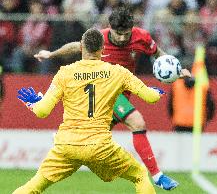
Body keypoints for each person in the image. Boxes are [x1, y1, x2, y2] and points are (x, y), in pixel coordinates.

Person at [34, 5, 186, 190]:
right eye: (118, 33)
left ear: (132, 29)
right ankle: (157, 175)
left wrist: (175, 70)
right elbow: (76, 46)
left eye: (126, 34)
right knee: (137, 122)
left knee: (99, 131)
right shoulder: (101, 38)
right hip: (106, 92)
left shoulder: (142, 37)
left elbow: (158, 53)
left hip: (123, 93)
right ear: (110, 28)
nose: (122, 38)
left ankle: (64, 136)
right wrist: (51, 54)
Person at [14, 27, 165, 194]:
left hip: (67, 145)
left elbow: (42, 111)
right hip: (100, 147)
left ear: (81, 48)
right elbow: (151, 98)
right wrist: (156, 92)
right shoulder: (118, 72)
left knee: (34, 186)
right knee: (140, 176)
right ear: (102, 49)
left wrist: (33, 103)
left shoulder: (65, 73)